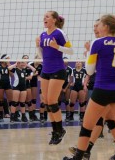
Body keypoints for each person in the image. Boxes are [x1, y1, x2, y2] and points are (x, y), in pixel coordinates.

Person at [63, 15, 115, 160]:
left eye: (100, 25)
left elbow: (90, 70)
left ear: (106, 27)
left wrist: (89, 53)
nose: (97, 27)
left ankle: (78, 157)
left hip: (102, 89)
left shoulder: (97, 43)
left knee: (87, 126)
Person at [36, 12, 73, 145]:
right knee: (46, 102)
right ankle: (56, 130)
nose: (44, 18)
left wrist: (57, 46)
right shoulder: (42, 34)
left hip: (58, 70)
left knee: (52, 101)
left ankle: (60, 129)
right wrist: (37, 46)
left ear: (54, 20)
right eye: (44, 16)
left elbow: (71, 51)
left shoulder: (59, 33)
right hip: (45, 70)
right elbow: (42, 56)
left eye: (47, 16)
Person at [0, 54, 13, 122]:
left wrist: (9, 66)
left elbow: (12, 75)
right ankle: (1, 116)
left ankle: (12, 116)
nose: (9, 60)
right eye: (7, 58)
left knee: (10, 100)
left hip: (8, 84)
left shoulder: (10, 66)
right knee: (0, 100)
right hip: (0, 85)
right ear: (4, 59)